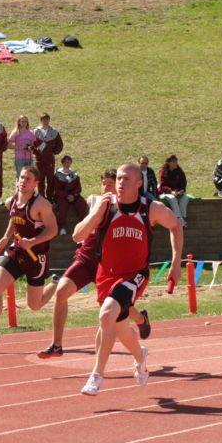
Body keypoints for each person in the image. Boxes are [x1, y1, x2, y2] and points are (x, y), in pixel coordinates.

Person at [77, 163, 183, 396]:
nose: (121, 183)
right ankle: (140, 357)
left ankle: (96, 375)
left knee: (106, 315)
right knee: (119, 326)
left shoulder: (151, 209)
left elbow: (176, 226)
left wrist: (176, 263)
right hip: (106, 274)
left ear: (139, 183)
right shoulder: (105, 206)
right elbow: (77, 235)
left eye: (126, 179)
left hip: (135, 274)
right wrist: (95, 215)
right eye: (119, 179)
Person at [39, 169, 151, 359]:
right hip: (85, 259)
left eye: (110, 184)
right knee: (61, 291)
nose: (106, 188)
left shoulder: (124, 208)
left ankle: (141, 319)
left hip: (108, 266)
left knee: (117, 310)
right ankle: (57, 344)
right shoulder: (94, 201)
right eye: (104, 184)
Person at [0, 166, 58, 346]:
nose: (23, 181)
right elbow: (14, 219)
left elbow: (53, 230)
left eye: (28, 178)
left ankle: (55, 284)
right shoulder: (11, 201)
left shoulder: (41, 205)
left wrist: (33, 241)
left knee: (34, 305)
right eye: (21, 177)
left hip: (36, 256)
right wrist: (6, 237)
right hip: (17, 251)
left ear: (36, 182)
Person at [53, 155, 89, 236]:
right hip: (62, 196)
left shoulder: (74, 175)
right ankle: (62, 227)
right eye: (66, 162)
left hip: (73, 196)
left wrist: (73, 196)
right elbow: (57, 189)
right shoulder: (57, 175)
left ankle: (83, 223)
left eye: (69, 162)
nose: (67, 164)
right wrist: (66, 196)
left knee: (81, 203)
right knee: (62, 206)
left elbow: (78, 188)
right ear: (62, 163)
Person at [33, 112, 64, 202]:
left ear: (49, 120)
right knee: (40, 179)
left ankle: (50, 197)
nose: (45, 121)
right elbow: (32, 145)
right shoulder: (36, 132)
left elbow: (60, 144)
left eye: (47, 119)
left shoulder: (54, 132)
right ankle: (41, 197)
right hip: (39, 160)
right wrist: (36, 152)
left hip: (50, 160)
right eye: (43, 119)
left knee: (50, 179)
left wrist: (53, 152)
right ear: (41, 120)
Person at [158, 155, 193, 228]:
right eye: (173, 161)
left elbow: (183, 183)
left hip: (177, 192)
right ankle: (180, 221)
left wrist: (181, 191)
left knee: (185, 198)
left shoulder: (179, 171)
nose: (175, 163)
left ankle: (183, 218)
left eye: (176, 161)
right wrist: (171, 191)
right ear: (169, 162)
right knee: (173, 199)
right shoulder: (164, 171)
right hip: (165, 193)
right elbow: (162, 186)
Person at [8, 115, 37, 182]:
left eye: (25, 121)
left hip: (29, 158)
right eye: (22, 121)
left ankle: (28, 191)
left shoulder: (31, 132)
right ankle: (18, 191)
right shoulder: (16, 132)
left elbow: (34, 145)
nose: (24, 123)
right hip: (19, 158)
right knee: (20, 175)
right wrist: (20, 147)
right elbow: (9, 145)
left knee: (29, 175)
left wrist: (30, 147)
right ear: (19, 122)